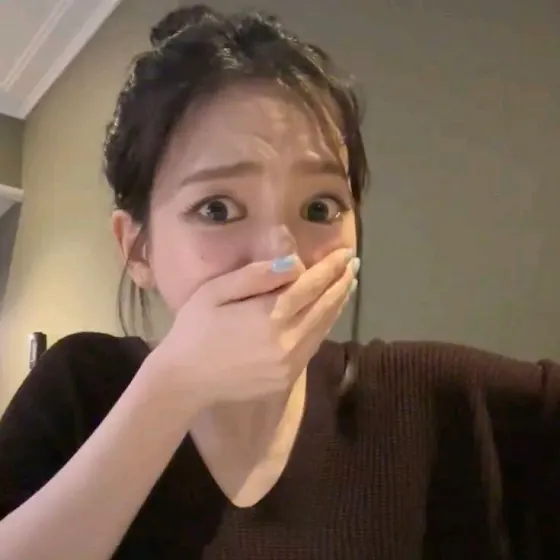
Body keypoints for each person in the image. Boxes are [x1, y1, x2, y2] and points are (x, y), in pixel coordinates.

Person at [0, 4, 558, 559]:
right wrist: (173, 387)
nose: (283, 256)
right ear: (137, 247)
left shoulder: (438, 399)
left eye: (320, 208)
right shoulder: (80, 388)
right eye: (217, 209)